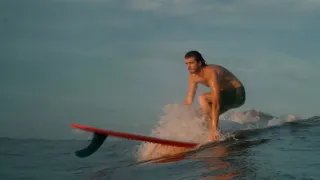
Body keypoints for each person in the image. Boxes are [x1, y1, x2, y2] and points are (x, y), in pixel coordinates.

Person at [183, 50, 246, 141]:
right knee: (200, 116)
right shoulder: (193, 77)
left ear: (200, 63)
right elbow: (189, 100)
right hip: (225, 97)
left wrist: (214, 130)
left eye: (191, 63)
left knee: (202, 98)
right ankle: (210, 136)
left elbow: (216, 102)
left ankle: (215, 133)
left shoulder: (211, 72)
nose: (188, 67)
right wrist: (181, 118)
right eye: (186, 64)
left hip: (237, 94)